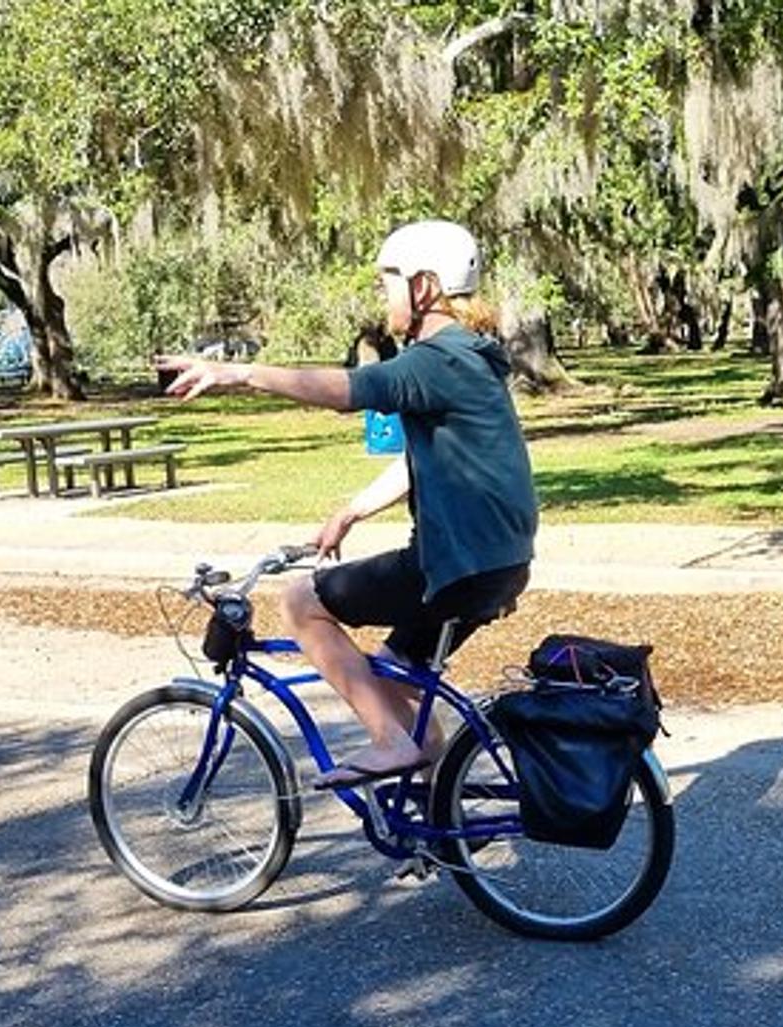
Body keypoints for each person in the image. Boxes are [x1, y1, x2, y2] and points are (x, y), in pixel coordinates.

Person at [159, 220, 536, 789]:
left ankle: (389, 742)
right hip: (498, 562)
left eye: (390, 282)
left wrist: (238, 372)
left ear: (425, 286)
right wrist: (351, 511)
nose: (384, 297)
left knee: (300, 601)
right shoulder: (468, 358)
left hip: (455, 566)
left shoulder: (436, 360)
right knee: (393, 671)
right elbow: (425, 462)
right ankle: (434, 796)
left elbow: (346, 391)